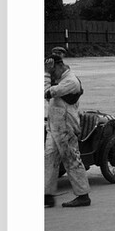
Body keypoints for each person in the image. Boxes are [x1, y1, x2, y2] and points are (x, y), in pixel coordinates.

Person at [44, 53, 91, 208]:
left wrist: (47, 73)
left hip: (66, 127)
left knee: (71, 160)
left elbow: (47, 92)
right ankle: (47, 196)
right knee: (49, 160)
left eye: (52, 70)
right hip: (55, 127)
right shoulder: (62, 78)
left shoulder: (70, 81)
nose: (51, 73)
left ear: (58, 66)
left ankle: (83, 195)